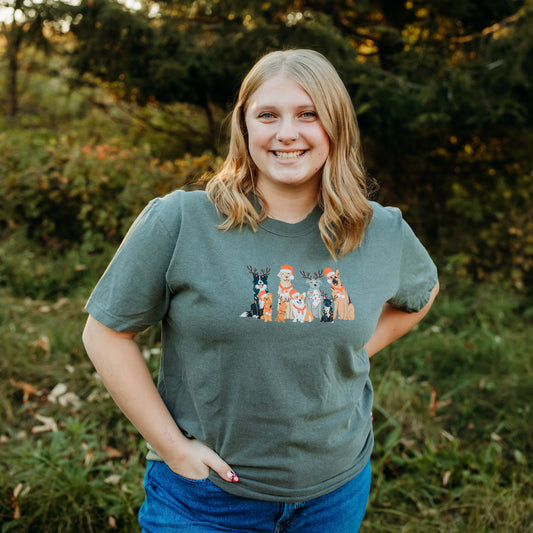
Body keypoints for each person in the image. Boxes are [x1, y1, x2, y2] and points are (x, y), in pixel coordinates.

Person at [82, 49, 439, 532]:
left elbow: (423, 292)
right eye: (268, 115)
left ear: (336, 126)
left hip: (334, 493)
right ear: (244, 127)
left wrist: (356, 348)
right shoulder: (181, 221)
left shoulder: (381, 231)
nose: (287, 132)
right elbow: (105, 333)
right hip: (204, 497)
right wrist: (171, 447)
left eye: (308, 114)